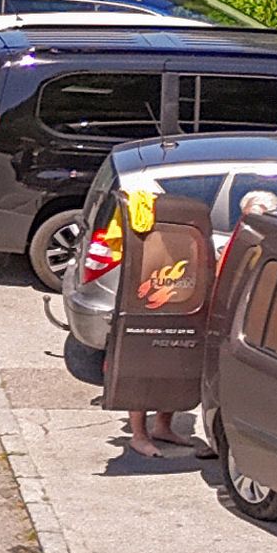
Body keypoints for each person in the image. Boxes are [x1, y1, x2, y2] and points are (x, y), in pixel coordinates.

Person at [101, 186, 219, 454]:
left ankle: (162, 427)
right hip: (143, 313)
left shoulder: (183, 237)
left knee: (174, 372)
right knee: (140, 375)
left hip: (180, 310)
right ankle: (138, 435)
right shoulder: (142, 236)